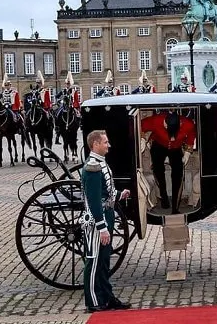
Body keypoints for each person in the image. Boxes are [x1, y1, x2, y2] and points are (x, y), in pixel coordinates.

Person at [81, 130, 131, 313]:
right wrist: (102, 228)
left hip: (106, 215)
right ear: (95, 144)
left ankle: (106, 297)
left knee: (103, 261)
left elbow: (104, 191)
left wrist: (119, 194)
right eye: (105, 142)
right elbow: (94, 201)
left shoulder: (100, 163)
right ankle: (93, 301)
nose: (108, 145)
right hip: (96, 220)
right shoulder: (93, 167)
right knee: (94, 261)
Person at [140, 111, 196, 214]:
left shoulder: (188, 124)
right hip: (158, 145)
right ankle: (163, 196)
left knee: (178, 175)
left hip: (176, 148)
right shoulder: (156, 120)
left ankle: (175, 207)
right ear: (165, 124)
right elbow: (139, 125)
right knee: (158, 171)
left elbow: (191, 135)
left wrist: (188, 151)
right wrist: (143, 138)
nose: (172, 137)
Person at [55, 72, 80, 144]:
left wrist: (75, 106)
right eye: (67, 84)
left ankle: (76, 129)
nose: (68, 85)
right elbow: (57, 96)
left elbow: (76, 99)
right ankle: (57, 130)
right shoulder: (63, 91)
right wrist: (59, 100)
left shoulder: (73, 91)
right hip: (63, 105)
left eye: (69, 84)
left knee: (78, 115)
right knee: (57, 113)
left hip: (71, 105)